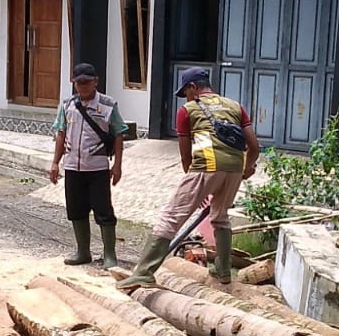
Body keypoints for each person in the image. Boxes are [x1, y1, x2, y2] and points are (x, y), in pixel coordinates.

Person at [117, 68, 259, 290]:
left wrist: (194, 184)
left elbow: (185, 156)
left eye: (186, 92)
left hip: (206, 166)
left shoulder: (188, 110)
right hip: (233, 169)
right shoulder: (235, 106)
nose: (186, 97)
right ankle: (223, 271)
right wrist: (245, 168)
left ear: (193, 87)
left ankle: (144, 272)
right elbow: (255, 147)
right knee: (220, 217)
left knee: (171, 217)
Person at [50, 63, 126, 268]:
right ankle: (83, 251)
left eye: (86, 82)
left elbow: (119, 134)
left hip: (98, 167)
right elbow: (60, 134)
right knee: (76, 209)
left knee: (104, 211)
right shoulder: (67, 105)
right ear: (74, 83)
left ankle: (109, 254)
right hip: (73, 166)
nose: (82, 86)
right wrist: (55, 163)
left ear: (95, 82)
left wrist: (117, 165)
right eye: (78, 82)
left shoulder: (108, 105)